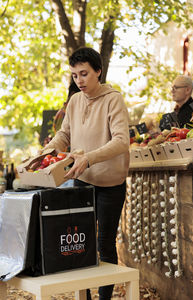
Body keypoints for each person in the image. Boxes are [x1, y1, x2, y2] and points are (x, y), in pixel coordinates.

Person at [40, 47, 130, 300]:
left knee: (104, 244)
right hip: (80, 181)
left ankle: (104, 298)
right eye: (74, 75)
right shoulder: (75, 101)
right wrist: (46, 151)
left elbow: (122, 141)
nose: (79, 81)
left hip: (110, 184)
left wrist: (89, 158)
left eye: (84, 74)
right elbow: (64, 134)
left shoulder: (114, 99)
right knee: (79, 245)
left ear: (98, 72)